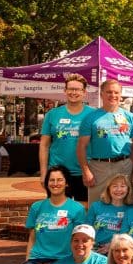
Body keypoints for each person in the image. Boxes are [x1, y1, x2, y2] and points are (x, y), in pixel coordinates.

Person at [11, 165, 87, 264]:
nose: (55, 183)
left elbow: (79, 238)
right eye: (51, 180)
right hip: (37, 256)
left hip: (60, 258)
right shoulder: (37, 207)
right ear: (46, 183)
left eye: (59, 180)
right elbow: (33, 236)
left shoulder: (76, 208)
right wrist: (28, 258)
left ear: (66, 183)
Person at [77, 79, 133, 204]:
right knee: (96, 205)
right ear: (101, 94)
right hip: (99, 167)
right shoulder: (90, 118)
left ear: (120, 95)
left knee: (127, 204)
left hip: (124, 166)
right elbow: (81, 146)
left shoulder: (130, 117)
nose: (113, 95)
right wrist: (86, 171)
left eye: (116, 93)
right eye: (109, 92)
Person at [39, 73, 95, 202]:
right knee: (58, 214)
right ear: (65, 90)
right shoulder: (53, 114)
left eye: (77, 89)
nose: (73, 92)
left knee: (84, 214)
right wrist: (43, 173)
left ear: (84, 92)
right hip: (58, 174)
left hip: (85, 173)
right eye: (70, 89)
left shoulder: (93, 114)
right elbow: (44, 145)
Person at [87, 174, 130, 252]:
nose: (119, 189)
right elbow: (87, 227)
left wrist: (112, 245)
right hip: (94, 246)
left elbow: (126, 234)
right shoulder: (96, 206)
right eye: (115, 186)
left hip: (117, 247)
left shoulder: (131, 210)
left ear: (128, 189)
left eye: (123, 186)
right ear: (108, 189)